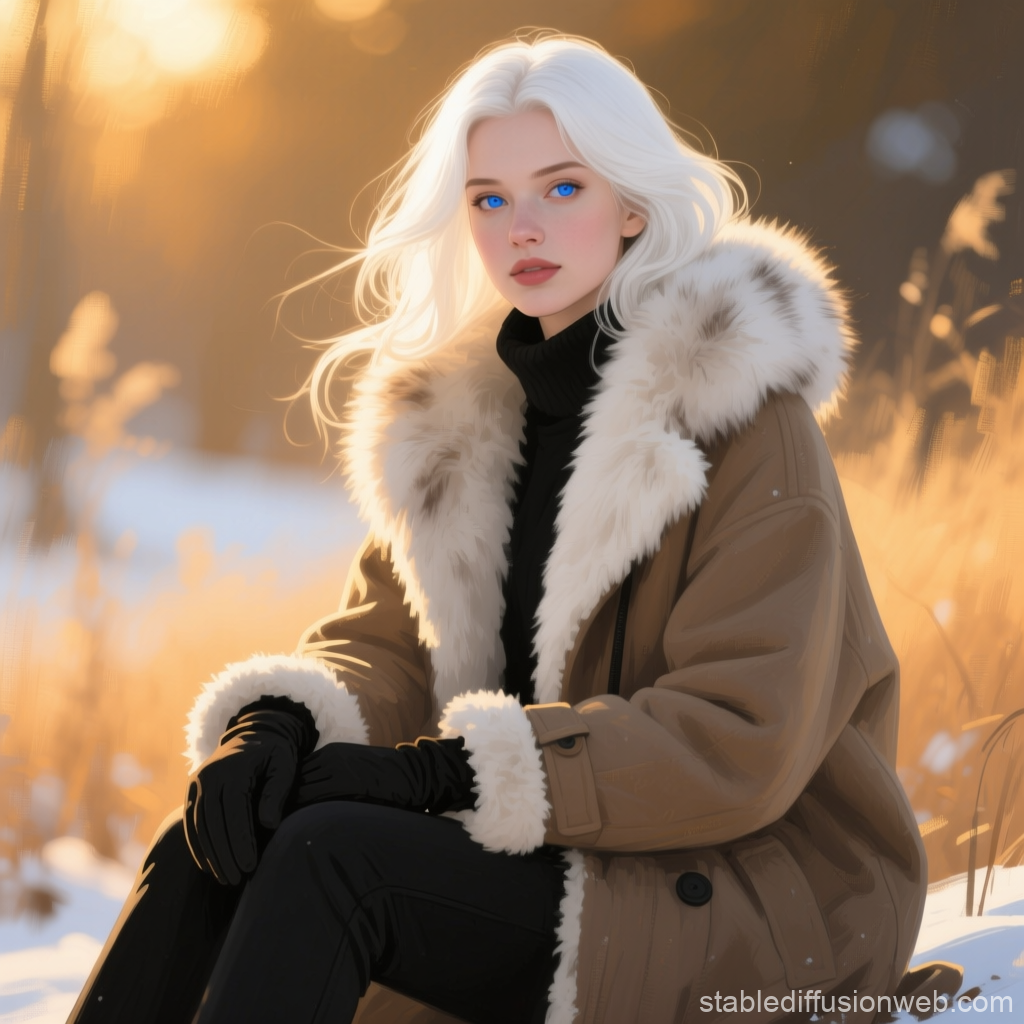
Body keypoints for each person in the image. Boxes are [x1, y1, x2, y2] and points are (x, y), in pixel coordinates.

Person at [68, 33, 934, 1024]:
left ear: (632, 203)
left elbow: (739, 736)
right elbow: (386, 639)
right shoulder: (466, 424)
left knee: (331, 857)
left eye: (560, 188)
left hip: (747, 904)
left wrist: (439, 770)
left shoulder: (741, 422)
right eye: (488, 197)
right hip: (551, 864)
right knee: (216, 835)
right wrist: (277, 724)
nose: (519, 225)